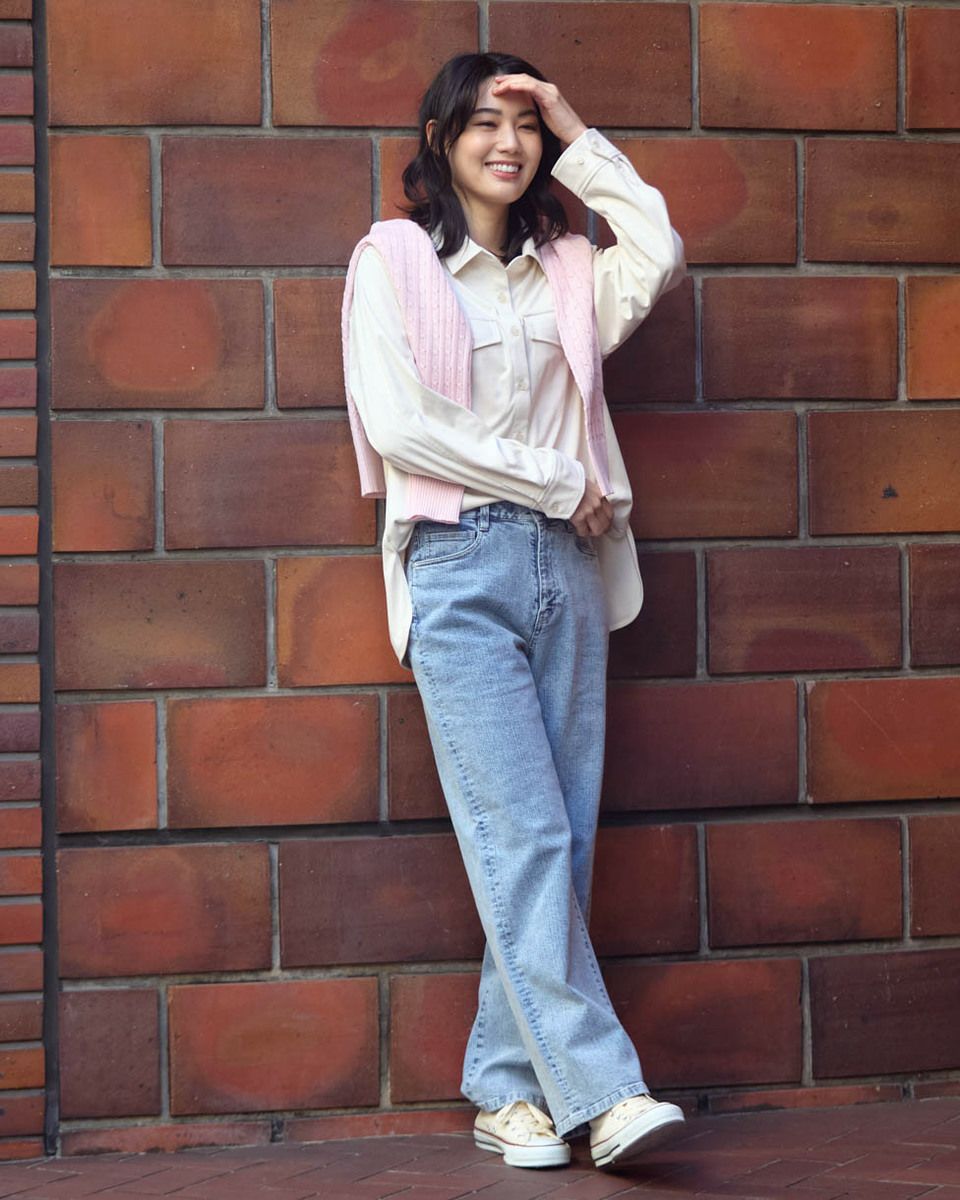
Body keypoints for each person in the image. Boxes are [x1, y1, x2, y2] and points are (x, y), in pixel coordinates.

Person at [341, 51, 687, 1171]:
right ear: (440, 140)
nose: (508, 141)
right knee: (524, 834)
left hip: (570, 570)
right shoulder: (393, 262)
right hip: (459, 566)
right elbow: (403, 426)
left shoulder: (569, 271)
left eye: (526, 124)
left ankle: (504, 1087)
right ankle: (606, 1091)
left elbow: (662, 250)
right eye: (484, 121)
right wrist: (551, 477)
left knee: (555, 840)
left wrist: (582, 133)